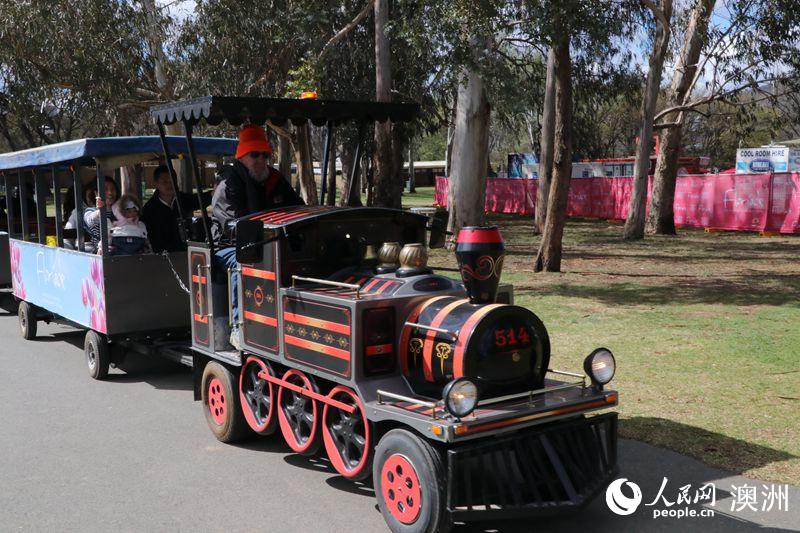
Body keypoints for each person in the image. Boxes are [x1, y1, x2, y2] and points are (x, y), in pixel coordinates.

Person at [212, 124, 303, 349]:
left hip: (269, 243)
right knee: (243, 261)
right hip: (228, 246)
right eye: (255, 155)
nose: (261, 159)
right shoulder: (227, 185)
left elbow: (297, 208)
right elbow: (232, 227)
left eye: (265, 154)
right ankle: (237, 327)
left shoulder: (275, 179)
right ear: (242, 156)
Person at [141, 164, 206, 253]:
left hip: (185, 251)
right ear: (156, 183)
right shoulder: (150, 209)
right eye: (164, 182)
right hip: (162, 255)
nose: (169, 185)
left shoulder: (182, 199)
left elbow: (201, 199)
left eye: (172, 181)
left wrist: (214, 192)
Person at [84, 177, 120, 252]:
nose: (110, 193)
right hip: (100, 252)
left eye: (113, 189)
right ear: (96, 193)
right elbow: (90, 220)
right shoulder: (90, 211)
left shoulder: (120, 211)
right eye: (105, 189)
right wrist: (100, 211)